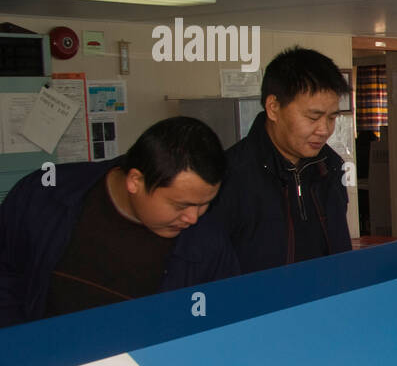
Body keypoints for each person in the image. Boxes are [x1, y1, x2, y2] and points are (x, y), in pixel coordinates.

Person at [0, 116, 237, 327]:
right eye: (181, 205)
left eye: (204, 204)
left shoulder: (208, 243)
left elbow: (219, 319)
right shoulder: (45, 195)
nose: (193, 218)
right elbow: (6, 273)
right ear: (135, 181)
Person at [209, 46, 352, 274]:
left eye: (332, 117)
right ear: (273, 108)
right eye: (313, 117)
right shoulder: (230, 176)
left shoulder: (330, 167)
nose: (324, 130)